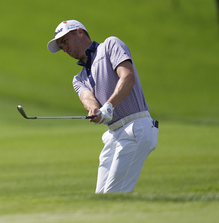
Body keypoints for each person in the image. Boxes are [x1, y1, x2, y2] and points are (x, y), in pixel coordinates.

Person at [47, 20, 159, 193]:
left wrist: (108, 106)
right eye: (61, 46)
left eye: (65, 41)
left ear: (79, 32)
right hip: (114, 135)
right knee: (101, 198)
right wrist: (94, 109)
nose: (64, 48)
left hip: (135, 128)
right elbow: (87, 97)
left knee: (113, 196)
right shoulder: (79, 78)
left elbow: (127, 77)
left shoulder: (110, 45)